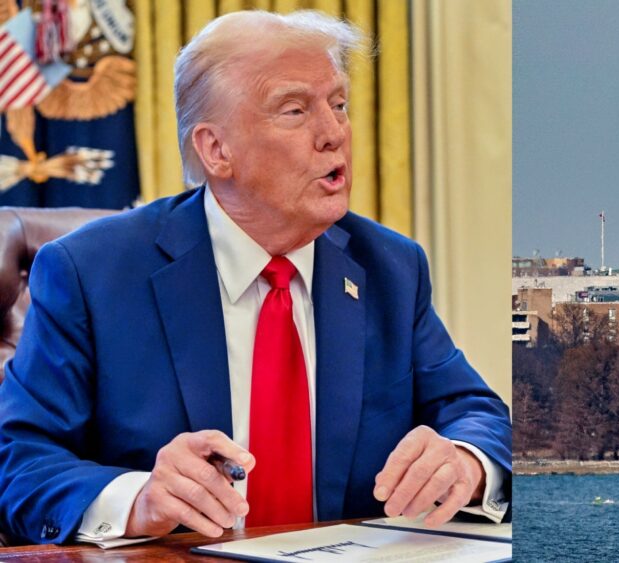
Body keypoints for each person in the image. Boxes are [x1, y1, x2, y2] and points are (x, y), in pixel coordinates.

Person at [0, 10, 510, 546]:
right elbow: (19, 463)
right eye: (295, 111)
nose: (334, 133)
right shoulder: (91, 272)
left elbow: (475, 413)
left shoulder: (390, 267)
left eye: (338, 105)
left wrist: (465, 461)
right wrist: (141, 497)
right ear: (216, 150)